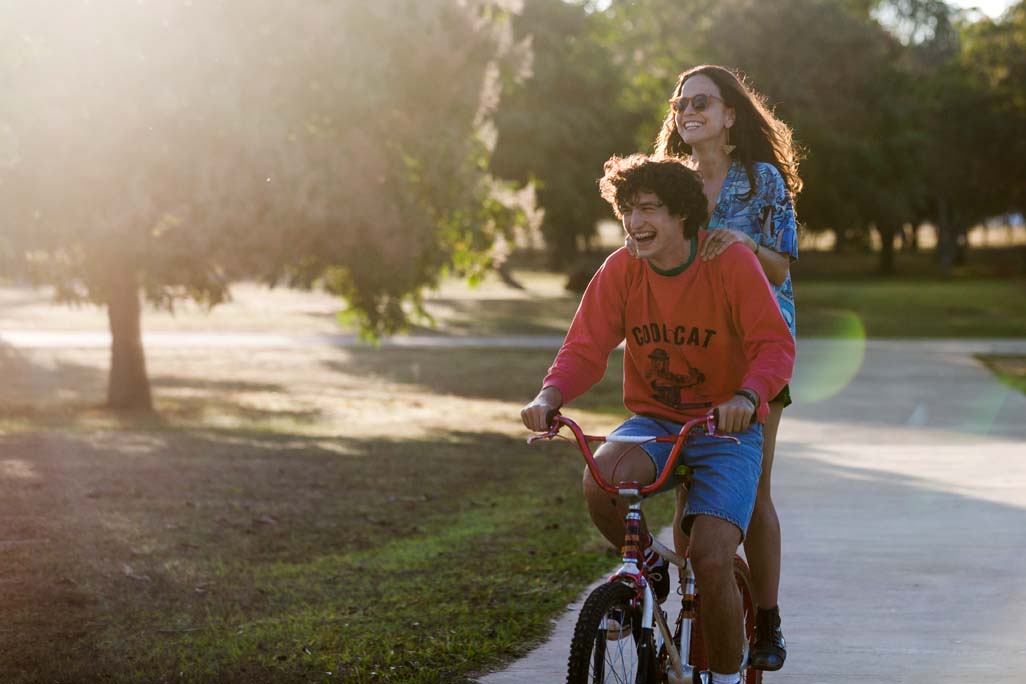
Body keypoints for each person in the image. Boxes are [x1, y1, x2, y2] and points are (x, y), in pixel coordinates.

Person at [521, 154, 795, 684]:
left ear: (682, 217)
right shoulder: (622, 269)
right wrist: (549, 395)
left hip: (725, 429)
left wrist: (746, 395)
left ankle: (723, 676)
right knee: (601, 478)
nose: (634, 221)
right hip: (654, 421)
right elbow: (584, 348)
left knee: (712, 558)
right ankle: (645, 569)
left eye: (649, 209)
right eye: (628, 209)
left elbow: (773, 347)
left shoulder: (729, 265)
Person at [637, 64, 803, 671]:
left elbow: (781, 270)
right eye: (680, 104)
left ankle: (767, 618)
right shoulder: (671, 181)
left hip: (758, 352)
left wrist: (739, 244)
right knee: (688, 490)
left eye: (702, 101)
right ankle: (695, 602)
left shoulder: (761, 182)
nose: (688, 111)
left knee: (753, 492)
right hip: (691, 349)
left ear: (730, 114)